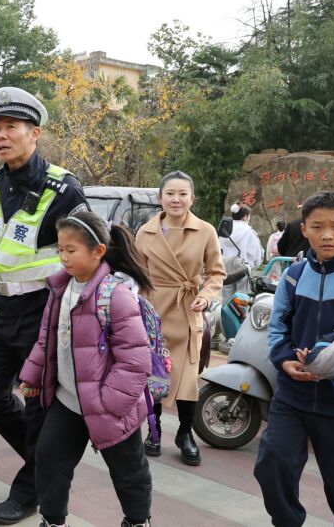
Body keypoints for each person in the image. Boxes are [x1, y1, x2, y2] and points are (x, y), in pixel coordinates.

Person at [0, 87, 90, 524]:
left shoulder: (63, 188)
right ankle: (46, 459)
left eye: (11, 127)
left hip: (42, 311)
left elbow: (90, 246)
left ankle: (30, 490)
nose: (1, 136)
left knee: (40, 405)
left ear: (34, 134)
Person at [20, 211, 153, 527]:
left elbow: (135, 360)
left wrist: (109, 403)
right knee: (49, 460)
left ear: (98, 251)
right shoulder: (60, 288)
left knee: (128, 470)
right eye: (60, 249)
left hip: (110, 404)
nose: (63, 257)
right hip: (68, 399)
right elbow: (47, 338)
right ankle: (53, 521)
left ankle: (137, 522)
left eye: (71, 250)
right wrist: (32, 376)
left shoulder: (116, 294)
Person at [255, 192, 334, 527]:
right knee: (272, 466)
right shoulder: (293, 276)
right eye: (317, 226)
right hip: (293, 397)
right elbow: (277, 327)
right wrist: (284, 360)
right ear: (304, 229)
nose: (327, 235)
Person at [135, 171, 225, 467]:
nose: (176, 199)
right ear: (160, 198)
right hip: (152, 312)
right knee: (154, 375)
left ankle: (185, 433)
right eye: (170, 193)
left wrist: (206, 296)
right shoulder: (145, 232)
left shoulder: (205, 231)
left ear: (192, 198)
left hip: (188, 311)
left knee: (187, 379)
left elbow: (216, 273)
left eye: (183, 194)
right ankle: (155, 430)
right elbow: (136, 274)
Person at [220, 203, 264, 300]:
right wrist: (255, 265)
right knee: (242, 298)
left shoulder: (225, 230)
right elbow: (256, 253)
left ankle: (225, 310)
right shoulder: (248, 231)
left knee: (226, 297)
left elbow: (219, 249)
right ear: (245, 216)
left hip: (225, 267)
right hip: (243, 268)